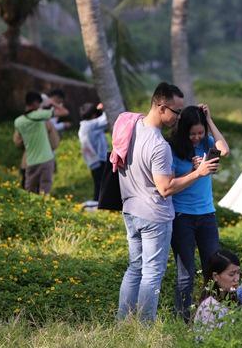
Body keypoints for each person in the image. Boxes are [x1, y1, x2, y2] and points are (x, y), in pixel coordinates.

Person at [116, 82, 219, 323]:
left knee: (134, 268)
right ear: (161, 107)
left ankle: (123, 322)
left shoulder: (130, 125)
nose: (178, 117)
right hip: (153, 215)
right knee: (151, 273)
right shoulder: (160, 146)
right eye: (176, 111)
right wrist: (198, 173)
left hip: (130, 209)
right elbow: (165, 188)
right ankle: (144, 326)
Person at [168, 104, 230, 322]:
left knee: (213, 269)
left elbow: (224, 150)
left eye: (200, 132)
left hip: (207, 215)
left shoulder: (207, 143)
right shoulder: (172, 148)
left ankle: (212, 317)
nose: (196, 137)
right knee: (186, 274)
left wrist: (209, 121)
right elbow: (170, 184)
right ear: (183, 131)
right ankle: (183, 320)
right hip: (182, 216)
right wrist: (195, 171)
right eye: (192, 133)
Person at [13, 91, 68, 194]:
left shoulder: (18, 122)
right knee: (44, 192)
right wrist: (52, 102)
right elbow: (64, 112)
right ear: (35, 103)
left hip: (29, 161)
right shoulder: (41, 116)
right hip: (46, 159)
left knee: (29, 192)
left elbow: (17, 142)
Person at [194, 249, 241, 332]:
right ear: (215, 276)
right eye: (231, 274)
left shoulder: (234, 296)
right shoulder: (209, 307)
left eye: (238, 273)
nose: (237, 279)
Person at [78, 102, 108, 201]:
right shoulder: (90, 125)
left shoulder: (84, 125)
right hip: (98, 158)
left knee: (99, 182)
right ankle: (98, 202)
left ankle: (98, 201)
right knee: (101, 182)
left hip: (92, 158)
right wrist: (102, 110)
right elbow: (106, 120)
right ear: (93, 115)